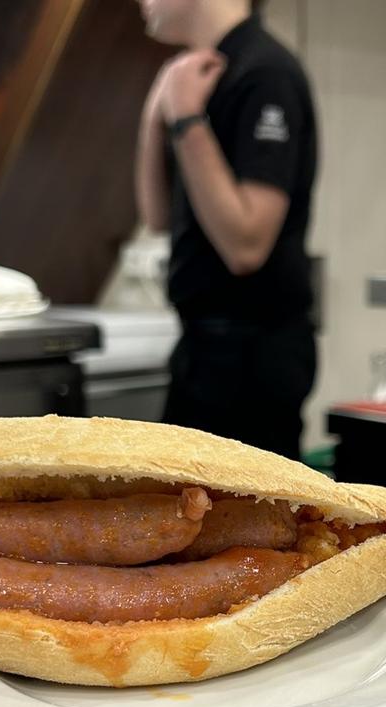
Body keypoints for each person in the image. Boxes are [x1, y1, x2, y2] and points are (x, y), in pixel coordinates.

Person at [135, 0, 318, 462]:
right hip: (201, 348)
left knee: (255, 527)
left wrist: (187, 121)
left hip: (250, 360)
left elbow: (246, 244)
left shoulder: (264, 74)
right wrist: (156, 116)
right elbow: (157, 216)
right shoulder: (195, 78)